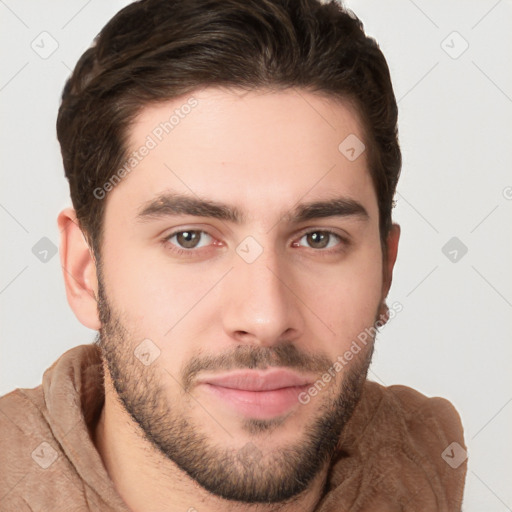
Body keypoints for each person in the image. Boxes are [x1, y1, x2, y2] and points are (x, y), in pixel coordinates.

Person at [0, 0, 467, 510]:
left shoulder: (425, 468)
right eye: (190, 238)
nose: (265, 317)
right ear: (84, 271)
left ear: (384, 268)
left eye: (318, 238)